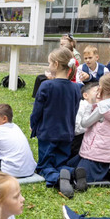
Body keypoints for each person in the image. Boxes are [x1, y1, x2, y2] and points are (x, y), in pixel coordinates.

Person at [30, 47, 81, 197]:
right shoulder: (76, 88)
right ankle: (73, 173)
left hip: (47, 132)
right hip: (67, 132)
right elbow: (75, 110)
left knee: (44, 166)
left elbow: (37, 110)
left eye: (49, 63)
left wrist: (34, 126)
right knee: (60, 163)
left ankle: (58, 178)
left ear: (56, 64)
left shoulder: (46, 85)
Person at [69, 72, 110, 185]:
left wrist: (89, 106)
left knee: (77, 176)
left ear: (102, 88)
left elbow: (84, 123)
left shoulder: (103, 107)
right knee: (71, 166)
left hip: (96, 152)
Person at [32, 34, 81, 98]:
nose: (61, 46)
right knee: (40, 77)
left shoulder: (73, 59)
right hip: (60, 77)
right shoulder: (62, 55)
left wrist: (53, 77)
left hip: (63, 79)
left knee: (43, 80)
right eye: (60, 44)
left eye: (63, 44)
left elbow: (70, 74)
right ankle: (36, 96)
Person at [72, 82, 99, 157]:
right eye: (96, 91)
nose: (99, 93)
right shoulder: (81, 106)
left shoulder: (98, 107)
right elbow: (76, 129)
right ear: (85, 95)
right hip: (77, 142)